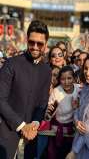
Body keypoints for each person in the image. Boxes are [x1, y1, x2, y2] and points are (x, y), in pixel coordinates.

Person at [0, 20, 51, 159]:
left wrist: (34, 124)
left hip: (32, 137)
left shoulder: (47, 70)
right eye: (31, 42)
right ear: (27, 41)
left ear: (46, 45)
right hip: (6, 135)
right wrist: (22, 126)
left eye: (39, 43)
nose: (35, 47)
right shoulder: (11, 64)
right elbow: (1, 100)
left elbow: (42, 102)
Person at [45, 66, 81, 159]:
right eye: (63, 79)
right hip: (56, 131)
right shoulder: (56, 92)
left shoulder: (79, 89)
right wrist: (50, 112)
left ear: (74, 78)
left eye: (69, 78)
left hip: (74, 130)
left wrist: (77, 107)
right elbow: (47, 116)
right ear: (59, 80)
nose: (66, 82)